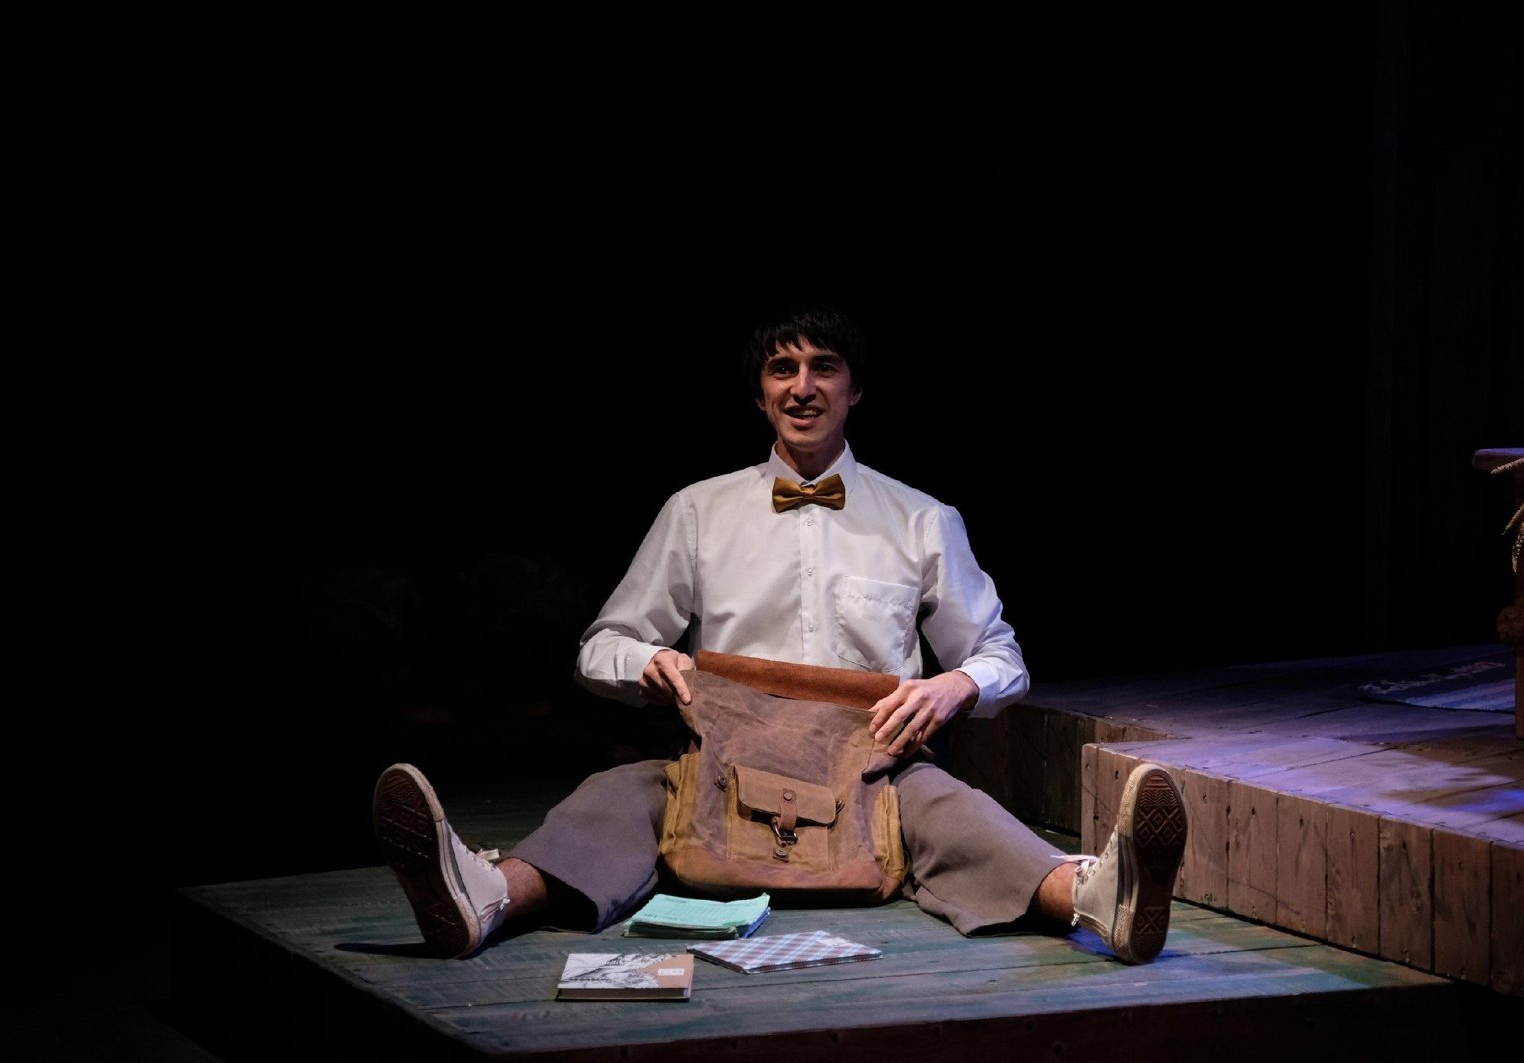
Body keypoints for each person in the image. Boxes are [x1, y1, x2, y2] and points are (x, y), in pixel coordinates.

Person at [371, 305, 1188, 965]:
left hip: (872, 773)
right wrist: (648, 660)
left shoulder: (920, 519)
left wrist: (955, 683)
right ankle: (484, 898)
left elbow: (999, 654)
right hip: (721, 771)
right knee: (619, 798)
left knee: (952, 812)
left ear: (855, 389)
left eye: (822, 367)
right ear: (759, 395)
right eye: (780, 369)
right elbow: (601, 645)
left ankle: (1100, 899)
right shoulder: (698, 510)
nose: (801, 387)